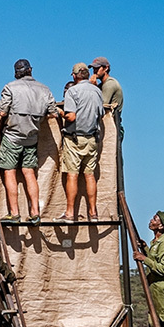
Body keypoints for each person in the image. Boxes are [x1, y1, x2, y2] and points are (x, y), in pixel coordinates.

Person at [0, 58, 57, 224]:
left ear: (16, 73)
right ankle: (35, 213)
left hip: (12, 137)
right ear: (30, 70)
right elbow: (53, 113)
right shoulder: (44, 89)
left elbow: (2, 112)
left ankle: (14, 213)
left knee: (10, 172)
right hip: (32, 138)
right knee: (29, 173)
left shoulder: (10, 87)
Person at [58, 62, 103, 221]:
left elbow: (71, 116)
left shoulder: (73, 91)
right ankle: (93, 213)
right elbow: (101, 114)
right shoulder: (97, 91)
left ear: (75, 75)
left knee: (72, 175)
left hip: (75, 139)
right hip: (92, 138)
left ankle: (70, 213)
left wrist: (59, 111)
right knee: (90, 176)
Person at [90, 57, 124, 141]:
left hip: (112, 127)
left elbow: (101, 106)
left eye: (97, 68)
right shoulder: (101, 85)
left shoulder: (110, 84)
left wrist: (93, 87)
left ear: (106, 68)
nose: (94, 71)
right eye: (94, 68)